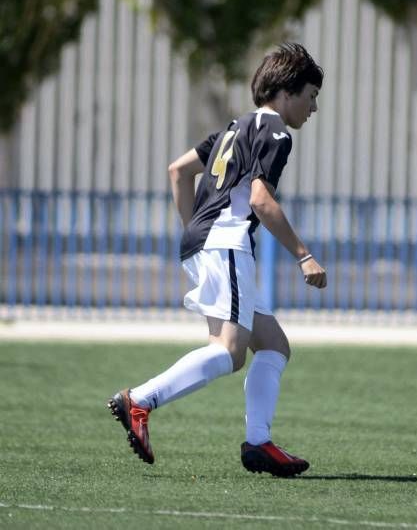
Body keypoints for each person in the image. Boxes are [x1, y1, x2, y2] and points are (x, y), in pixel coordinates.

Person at [107, 43, 325, 477]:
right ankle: (141, 400)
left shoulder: (233, 127)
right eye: (311, 95)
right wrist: (304, 255)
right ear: (286, 91)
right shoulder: (276, 132)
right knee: (228, 351)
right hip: (226, 243)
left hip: (209, 242)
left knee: (274, 345)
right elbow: (261, 200)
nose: (314, 107)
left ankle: (259, 444)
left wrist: (197, 230)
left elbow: (177, 170)